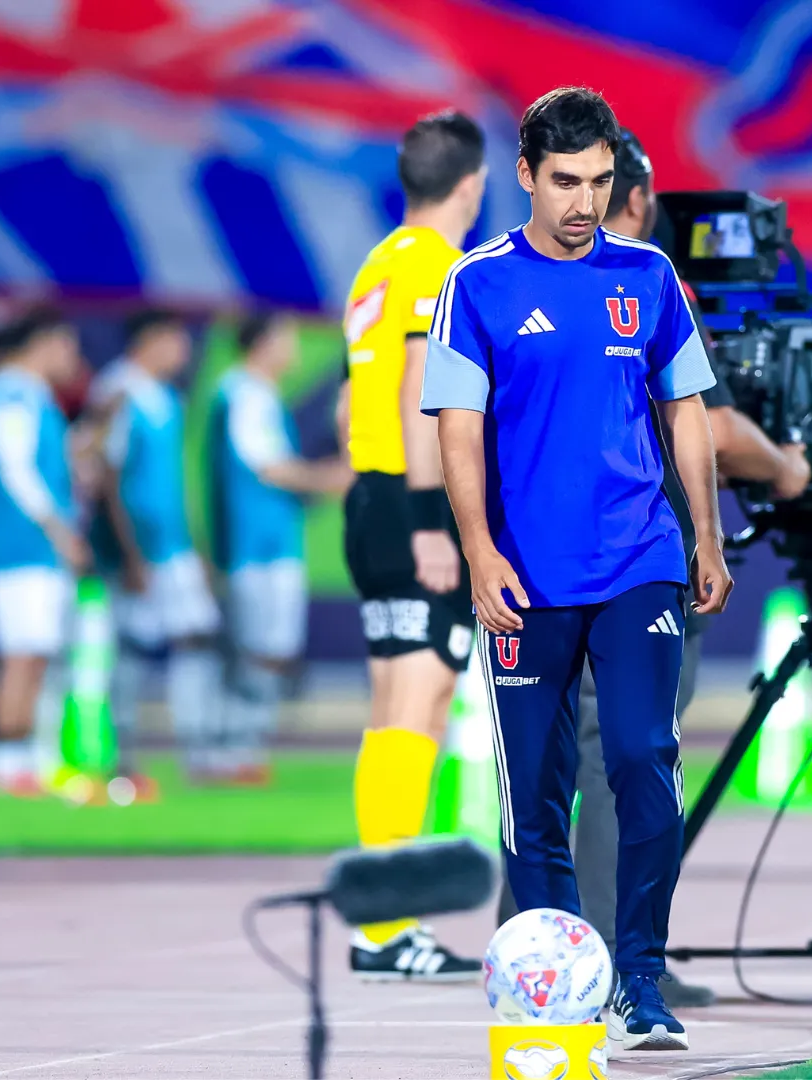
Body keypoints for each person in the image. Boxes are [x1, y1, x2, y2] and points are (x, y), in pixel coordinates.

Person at [424, 86, 732, 1053]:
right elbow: (458, 432)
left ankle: (641, 979)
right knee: (537, 792)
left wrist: (707, 538)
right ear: (525, 176)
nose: (585, 202)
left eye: (600, 181)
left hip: (639, 559)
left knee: (645, 760)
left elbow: (687, 411)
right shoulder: (473, 287)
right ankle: (557, 990)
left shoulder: (648, 276)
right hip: (523, 577)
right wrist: (479, 552)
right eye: (566, 183)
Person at [490, 127, 811, 1009]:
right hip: (629, 561)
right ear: (638, 200)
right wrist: (788, 468)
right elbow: (712, 422)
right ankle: (597, 959)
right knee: (623, 755)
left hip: (538, 559)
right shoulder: (642, 280)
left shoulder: (514, 283)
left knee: (550, 757)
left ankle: (527, 937)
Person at [337, 109, 490, 981]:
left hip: (373, 497)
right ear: (471, 184)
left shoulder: (377, 263)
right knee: (418, 707)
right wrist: (434, 518)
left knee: (396, 704)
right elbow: (419, 393)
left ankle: (381, 922)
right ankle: (387, 926)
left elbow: (362, 396)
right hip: (413, 506)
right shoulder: (437, 267)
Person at [209, 312, 351, 775]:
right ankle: (230, 747)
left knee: (271, 648)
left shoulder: (261, 396)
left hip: (273, 542)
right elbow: (268, 466)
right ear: (264, 342)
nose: (292, 349)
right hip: (255, 546)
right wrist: (330, 477)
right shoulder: (242, 395)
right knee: (256, 647)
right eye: (287, 339)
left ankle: (242, 746)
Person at [91, 309, 224, 782]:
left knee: (197, 635)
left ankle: (198, 747)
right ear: (150, 340)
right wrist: (128, 554)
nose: (183, 352)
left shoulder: (166, 397)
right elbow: (105, 477)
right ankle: (120, 752)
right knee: (133, 644)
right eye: (176, 340)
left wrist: (197, 545)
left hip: (174, 545)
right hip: (141, 549)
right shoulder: (117, 392)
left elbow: (174, 480)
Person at [0, 306, 91, 796]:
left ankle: (30, 759)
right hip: (16, 548)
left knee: (36, 653)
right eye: (67, 345)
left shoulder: (33, 397)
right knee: (20, 655)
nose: (73, 358)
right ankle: (7, 759)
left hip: (35, 549)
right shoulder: (10, 395)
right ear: (42, 342)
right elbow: (16, 471)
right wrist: (60, 531)